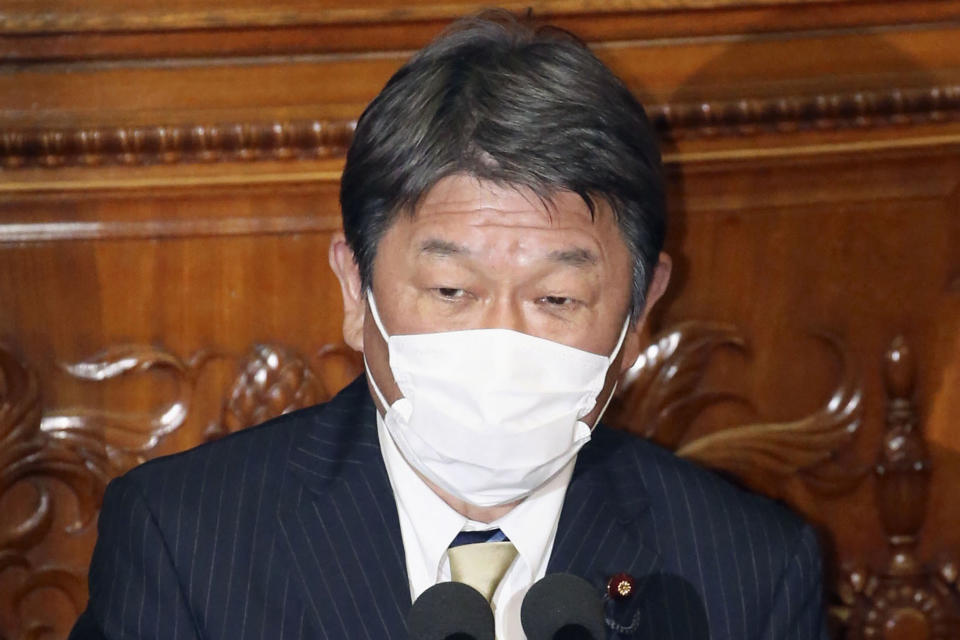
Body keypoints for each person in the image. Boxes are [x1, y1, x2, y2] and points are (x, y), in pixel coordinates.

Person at [70, 10, 827, 640]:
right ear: (353, 284)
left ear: (639, 313)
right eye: (451, 288)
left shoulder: (748, 571)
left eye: (557, 299)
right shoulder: (186, 541)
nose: (502, 345)